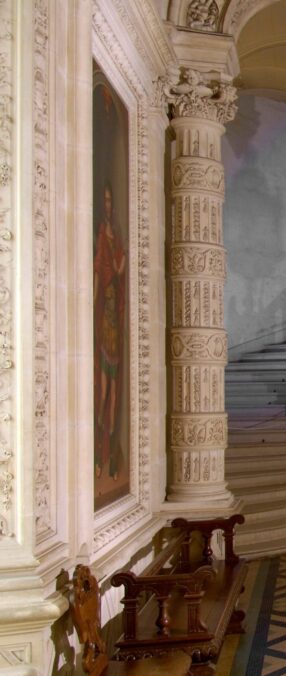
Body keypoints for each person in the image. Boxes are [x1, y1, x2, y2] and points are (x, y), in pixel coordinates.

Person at [94, 181, 128, 479]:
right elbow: (98, 275)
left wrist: (120, 267)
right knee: (103, 387)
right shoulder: (100, 239)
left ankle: (109, 449)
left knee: (114, 388)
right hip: (103, 318)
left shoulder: (115, 237)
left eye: (110, 200)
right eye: (104, 200)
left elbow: (117, 274)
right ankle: (99, 449)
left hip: (114, 320)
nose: (108, 205)